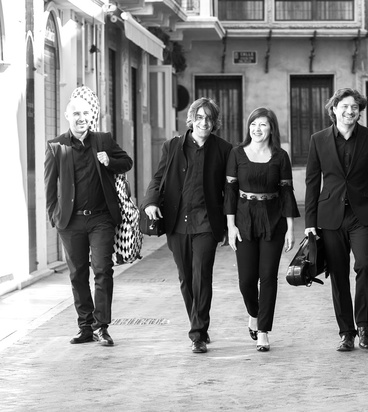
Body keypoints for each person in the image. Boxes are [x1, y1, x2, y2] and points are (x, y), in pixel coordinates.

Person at [143, 97, 232, 354]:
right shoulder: (172, 146)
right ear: (191, 120)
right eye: (200, 117)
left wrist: (230, 223)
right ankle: (198, 324)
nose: (204, 122)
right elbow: (159, 177)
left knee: (202, 276)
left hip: (206, 222)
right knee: (186, 278)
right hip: (177, 221)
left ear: (215, 123)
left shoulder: (224, 149)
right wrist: (150, 201)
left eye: (209, 118)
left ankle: (198, 333)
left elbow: (229, 188)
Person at [45, 96, 133, 346]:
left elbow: (127, 162)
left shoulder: (103, 139)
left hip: (101, 219)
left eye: (86, 113)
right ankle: (85, 326)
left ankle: (101, 326)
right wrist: (55, 217)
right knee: (77, 274)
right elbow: (49, 186)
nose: (82, 118)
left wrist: (110, 161)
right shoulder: (56, 146)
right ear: (67, 116)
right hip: (70, 223)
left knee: (103, 270)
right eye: (76, 114)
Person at [305, 88, 368, 352]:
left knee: (364, 265)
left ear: (359, 111)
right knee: (338, 275)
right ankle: (346, 332)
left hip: (361, 215)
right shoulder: (318, 140)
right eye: (345, 106)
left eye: (354, 107)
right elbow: (311, 182)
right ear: (334, 109)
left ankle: (363, 325)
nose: (350, 111)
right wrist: (309, 221)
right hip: (330, 217)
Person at [225, 107, 300, 352]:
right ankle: (254, 313)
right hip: (245, 220)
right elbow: (230, 193)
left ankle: (263, 331)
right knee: (247, 280)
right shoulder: (236, 153)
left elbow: (287, 193)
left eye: (263, 125)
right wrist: (230, 226)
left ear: (271, 129)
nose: (257, 129)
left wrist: (290, 229)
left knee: (268, 277)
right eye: (253, 124)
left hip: (273, 219)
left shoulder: (280, 156)